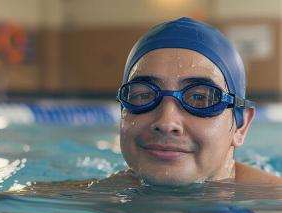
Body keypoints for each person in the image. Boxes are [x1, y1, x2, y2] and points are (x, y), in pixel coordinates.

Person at [117, 17, 282, 186]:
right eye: (144, 95)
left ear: (241, 127)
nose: (166, 123)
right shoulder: (93, 195)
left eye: (200, 98)